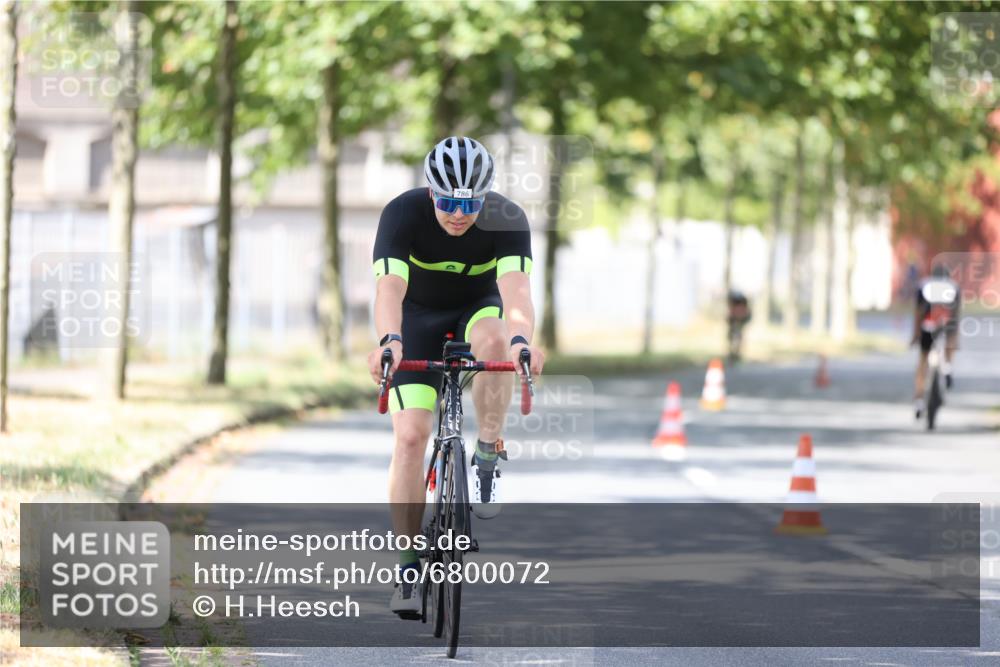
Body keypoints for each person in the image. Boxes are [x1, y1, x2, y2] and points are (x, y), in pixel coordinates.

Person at [368, 136, 545, 618]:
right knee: (409, 438)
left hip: (478, 310)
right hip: (415, 320)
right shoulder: (402, 214)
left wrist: (522, 340)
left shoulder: (506, 219)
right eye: (448, 202)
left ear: (484, 196)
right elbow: (389, 288)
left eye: (469, 202)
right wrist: (389, 340)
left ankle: (488, 449)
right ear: (430, 193)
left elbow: (516, 294)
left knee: (494, 340)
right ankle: (408, 568)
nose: (458, 213)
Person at [911, 262, 960, 418]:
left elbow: (919, 312)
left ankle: (918, 400)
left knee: (923, 362)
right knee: (950, 343)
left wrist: (915, 335)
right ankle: (947, 368)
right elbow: (956, 315)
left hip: (928, 326)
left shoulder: (924, 286)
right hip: (946, 326)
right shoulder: (953, 287)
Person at [726, 289, 752, 362]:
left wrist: (744, 319)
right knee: (732, 336)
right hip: (734, 320)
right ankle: (732, 352)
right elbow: (730, 313)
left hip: (741, 320)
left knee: (739, 336)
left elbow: (746, 313)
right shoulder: (733, 302)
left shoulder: (743, 301)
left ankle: (737, 352)